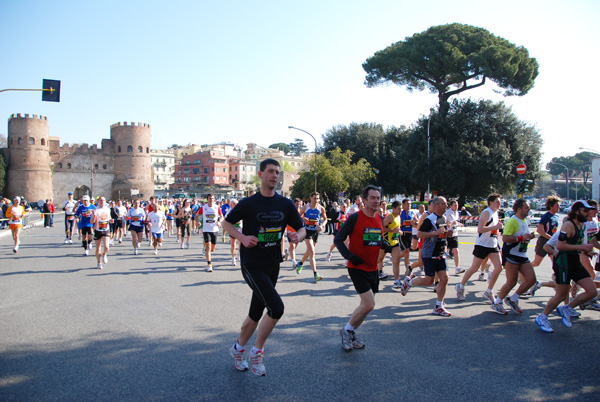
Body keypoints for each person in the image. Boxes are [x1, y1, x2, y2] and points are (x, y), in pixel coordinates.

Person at [223, 159, 305, 376]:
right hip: (252, 264)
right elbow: (226, 223)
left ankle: (237, 349)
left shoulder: (285, 204)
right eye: (270, 171)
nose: (274, 176)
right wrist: (242, 237)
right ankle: (257, 352)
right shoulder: (249, 203)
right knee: (276, 308)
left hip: (273, 264)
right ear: (260, 175)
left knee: (255, 313)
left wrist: (297, 236)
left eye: (277, 172)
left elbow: (301, 228)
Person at [535, 200, 598, 333]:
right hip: (563, 263)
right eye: (585, 211)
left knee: (591, 291)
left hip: (576, 262)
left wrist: (586, 250)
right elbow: (560, 245)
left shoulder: (582, 225)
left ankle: (567, 308)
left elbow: (578, 243)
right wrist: (582, 247)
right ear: (576, 212)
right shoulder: (569, 225)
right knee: (561, 294)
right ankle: (542, 317)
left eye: (589, 211)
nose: (588, 213)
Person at [334, 185, 383, 350]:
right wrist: (349, 256)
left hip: (373, 268)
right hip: (357, 267)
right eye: (373, 198)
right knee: (369, 304)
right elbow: (338, 239)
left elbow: (376, 239)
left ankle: (352, 332)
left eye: (378, 198)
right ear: (364, 200)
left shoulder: (380, 219)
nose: (376, 201)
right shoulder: (355, 218)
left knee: (366, 306)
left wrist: (387, 245)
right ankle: (346, 331)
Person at [399, 197, 452, 316]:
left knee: (445, 278)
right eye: (444, 204)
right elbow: (420, 233)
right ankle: (409, 282)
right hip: (430, 253)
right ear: (436, 205)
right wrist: (435, 233)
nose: (446, 206)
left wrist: (447, 234)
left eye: (447, 204)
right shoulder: (430, 219)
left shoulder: (443, 218)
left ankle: (439, 305)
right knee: (429, 281)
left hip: (440, 253)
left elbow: (441, 233)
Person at [456, 193, 504, 306]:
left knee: (499, 267)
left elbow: (493, 229)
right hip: (482, 245)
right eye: (497, 202)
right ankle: (461, 285)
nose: (499, 204)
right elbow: (480, 229)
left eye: (500, 202)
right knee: (474, 268)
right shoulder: (486, 212)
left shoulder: (496, 213)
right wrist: (495, 227)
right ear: (491, 202)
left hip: (492, 244)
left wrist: (497, 232)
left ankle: (489, 291)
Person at [493, 199, 537, 314]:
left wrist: (529, 237)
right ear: (519, 209)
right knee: (511, 282)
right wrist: (521, 238)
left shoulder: (526, 220)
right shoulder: (513, 221)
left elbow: (523, 235)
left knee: (532, 279)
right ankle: (497, 302)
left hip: (522, 254)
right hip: (512, 254)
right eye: (526, 207)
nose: (529, 209)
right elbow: (505, 238)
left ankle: (513, 299)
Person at [296, 192, 327, 282]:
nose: (316, 200)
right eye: (315, 198)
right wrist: (302, 219)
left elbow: (325, 219)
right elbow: (296, 216)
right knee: (312, 252)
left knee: (309, 252)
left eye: (318, 199)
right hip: (307, 231)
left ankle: (300, 263)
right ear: (310, 198)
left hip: (316, 232)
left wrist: (322, 225)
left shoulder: (321, 208)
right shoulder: (305, 207)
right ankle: (315, 274)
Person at [377, 201, 402, 290]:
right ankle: (367, 271)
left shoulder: (399, 217)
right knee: (379, 259)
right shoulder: (389, 217)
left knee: (396, 261)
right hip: (386, 242)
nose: (400, 210)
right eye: (399, 209)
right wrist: (392, 231)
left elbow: (397, 228)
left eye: (401, 208)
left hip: (395, 242)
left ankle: (397, 281)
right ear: (393, 208)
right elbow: (381, 228)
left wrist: (399, 232)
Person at [197, 193, 223, 272]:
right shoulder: (203, 208)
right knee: (208, 246)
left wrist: (219, 221)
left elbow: (222, 216)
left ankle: (206, 250)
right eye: (209, 199)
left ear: (214, 200)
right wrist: (198, 222)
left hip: (214, 229)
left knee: (212, 249)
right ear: (207, 200)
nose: (211, 200)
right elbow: (196, 216)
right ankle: (209, 265)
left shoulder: (217, 207)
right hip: (206, 229)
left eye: (212, 198)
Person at [91, 196, 112, 269]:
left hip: (106, 230)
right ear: (98, 201)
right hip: (97, 230)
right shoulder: (95, 210)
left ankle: (104, 254)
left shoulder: (107, 209)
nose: (102, 202)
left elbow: (108, 218)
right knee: (98, 248)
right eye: (101, 200)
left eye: (103, 200)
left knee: (106, 247)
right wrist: (93, 216)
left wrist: (111, 221)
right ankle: (99, 262)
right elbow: (92, 222)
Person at [445, 199, 465, 275]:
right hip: (448, 233)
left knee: (456, 251)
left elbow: (456, 221)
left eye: (457, 205)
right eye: (455, 205)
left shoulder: (457, 213)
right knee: (445, 251)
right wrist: (450, 223)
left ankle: (457, 268)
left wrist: (459, 224)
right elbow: (445, 222)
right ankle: (443, 267)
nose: (456, 207)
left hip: (454, 233)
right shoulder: (447, 213)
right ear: (451, 206)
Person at [399, 199, 416, 276]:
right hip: (403, 234)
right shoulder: (400, 213)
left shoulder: (412, 213)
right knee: (406, 251)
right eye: (407, 204)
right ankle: (407, 270)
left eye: (410, 204)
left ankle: (396, 256)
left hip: (410, 234)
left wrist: (415, 222)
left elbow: (417, 222)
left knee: (406, 253)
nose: (409, 205)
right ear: (403, 205)